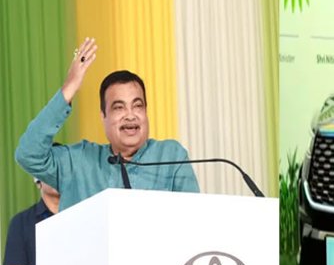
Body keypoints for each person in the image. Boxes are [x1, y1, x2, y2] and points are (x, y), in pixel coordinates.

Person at [15, 38, 200, 211]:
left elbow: (194, 218)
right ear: (103, 115)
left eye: (137, 106)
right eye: (119, 107)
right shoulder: (78, 162)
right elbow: (28, 154)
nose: (130, 115)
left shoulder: (171, 156)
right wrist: (68, 89)